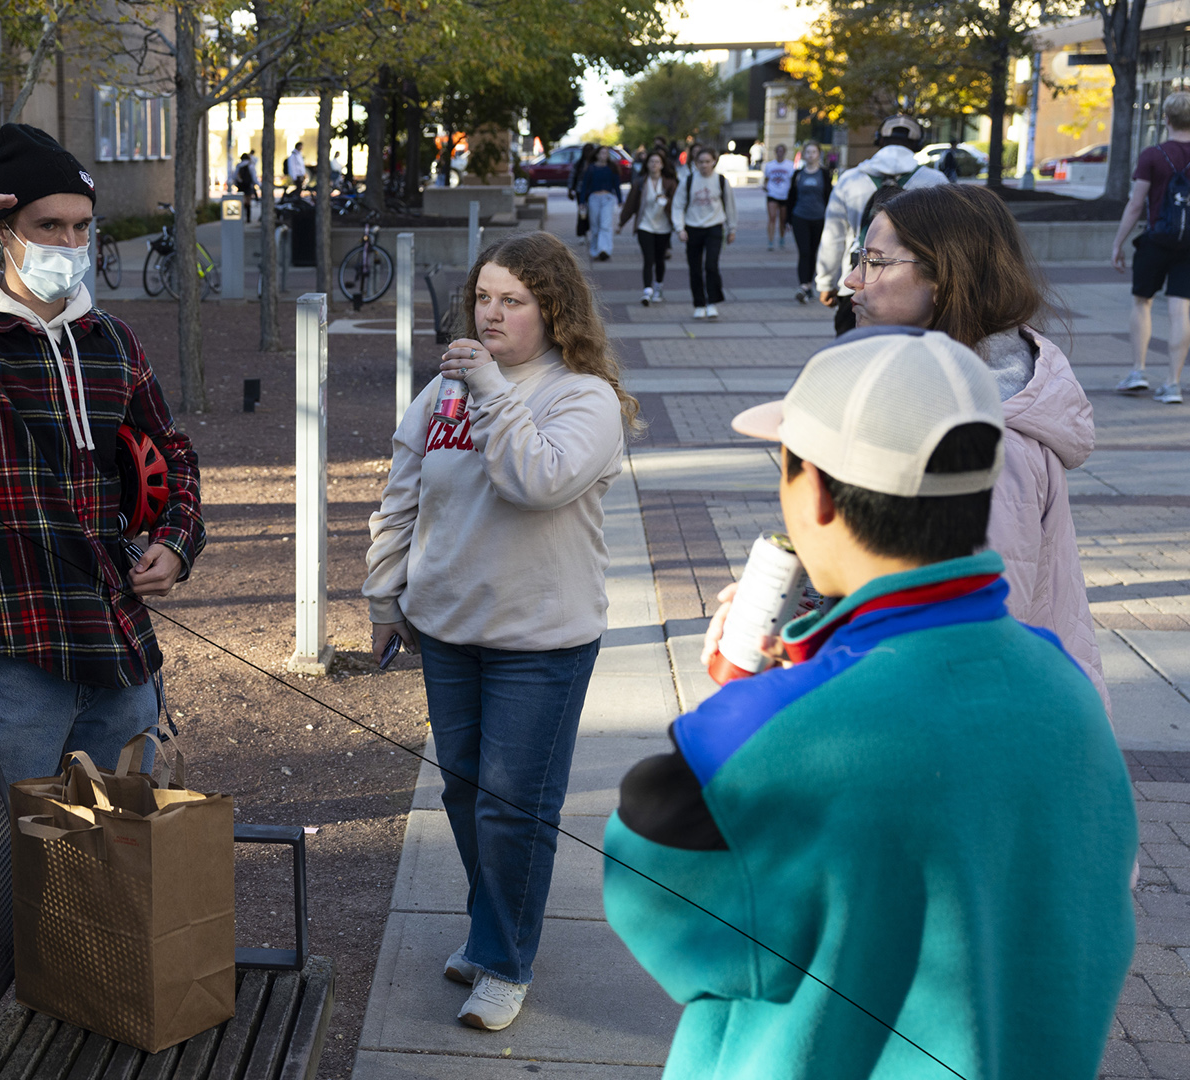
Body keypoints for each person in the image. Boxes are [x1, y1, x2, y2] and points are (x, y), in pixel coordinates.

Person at [607, 327, 1136, 1079]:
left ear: (814, 491)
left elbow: (658, 907)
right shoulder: (1066, 690)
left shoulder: (773, 724)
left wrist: (764, 697)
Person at [363, 231, 637, 1034]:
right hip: (449, 629)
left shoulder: (582, 398)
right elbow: (402, 493)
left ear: (553, 311)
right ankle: (495, 934)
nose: (492, 314)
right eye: (483, 297)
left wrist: (489, 389)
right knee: (465, 791)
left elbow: (536, 481)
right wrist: (385, 597)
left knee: (513, 806)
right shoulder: (443, 392)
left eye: (512, 300)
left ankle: (507, 961)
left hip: (541, 642)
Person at [0, 123, 205, 786]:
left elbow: (173, 451)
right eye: (48, 226)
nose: (69, 244)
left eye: (80, 227)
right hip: (11, 653)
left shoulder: (112, 340)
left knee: (111, 869)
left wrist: (179, 541)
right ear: (5, 229)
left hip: (118, 648)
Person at [838, 181, 1108, 711]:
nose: (852, 280)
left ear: (945, 277)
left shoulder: (984, 444)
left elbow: (970, 650)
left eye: (874, 261)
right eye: (857, 258)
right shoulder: (935, 392)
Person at [815, 114, 948, 334]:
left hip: (855, 289)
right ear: (917, 144)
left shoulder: (851, 179)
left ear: (880, 140)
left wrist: (825, 282)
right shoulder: (936, 182)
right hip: (914, 297)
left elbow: (833, 236)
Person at [1110, 89, 1190, 404]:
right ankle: (1173, 383)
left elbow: (1135, 205)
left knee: (1142, 302)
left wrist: (1118, 243)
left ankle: (1139, 371)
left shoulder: (1153, 155)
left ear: (1166, 119)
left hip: (1156, 238)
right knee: (1181, 308)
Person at [673, 145, 737, 320]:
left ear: (714, 162)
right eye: (701, 162)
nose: (704, 165)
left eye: (708, 161)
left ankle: (712, 302)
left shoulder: (721, 181)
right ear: (696, 163)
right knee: (695, 268)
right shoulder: (688, 180)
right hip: (693, 228)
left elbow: (730, 206)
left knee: (711, 265)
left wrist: (732, 228)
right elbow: (677, 205)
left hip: (714, 228)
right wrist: (680, 228)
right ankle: (699, 303)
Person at [618, 147, 676, 305]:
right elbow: (630, 204)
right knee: (648, 258)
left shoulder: (670, 183)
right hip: (645, 225)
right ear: (647, 164)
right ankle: (647, 291)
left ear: (662, 165)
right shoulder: (640, 182)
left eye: (657, 162)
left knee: (659, 258)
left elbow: (678, 205)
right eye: (651, 162)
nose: (654, 165)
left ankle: (658, 287)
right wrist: (621, 222)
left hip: (663, 226)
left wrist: (667, 200)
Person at [786, 141, 831, 304]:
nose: (811, 155)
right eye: (808, 152)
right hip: (800, 217)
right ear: (803, 155)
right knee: (804, 251)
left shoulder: (824, 174)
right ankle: (803, 286)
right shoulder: (798, 174)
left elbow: (829, 196)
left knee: (813, 253)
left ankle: (809, 284)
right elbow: (791, 197)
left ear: (818, 154)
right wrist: (788, 219)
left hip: (819, 218)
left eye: (814, 152)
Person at [574, 147, 622, 261]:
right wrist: (581, 202)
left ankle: (605, 250)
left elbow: (616, 185)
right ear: (597, 155)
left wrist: (620, 199)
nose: (604, 155)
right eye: (602, 153)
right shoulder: (591, 168)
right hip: (594, 198)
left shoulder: (612, 168)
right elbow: (585, 185)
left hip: (608, 199)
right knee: (595, 226)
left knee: (605, 225)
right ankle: (595, 250)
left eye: (606, 153)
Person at [761, 143, 796, 251]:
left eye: (782, 151)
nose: (780, 153)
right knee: (772, 218)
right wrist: (765, 186)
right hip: (772, 193)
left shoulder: (790, 165)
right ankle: (770, 241)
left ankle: (781, 237)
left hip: (785, 195)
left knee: (783, 219)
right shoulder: (770, 165)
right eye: (778, 151)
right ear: (775, 152)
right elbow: (766, 178)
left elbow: (793, 181)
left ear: (784, 153)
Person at [235, 151, 257, 215]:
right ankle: (248, 216)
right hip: (248, 185)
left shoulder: (239, 165)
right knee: (248, 201)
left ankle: (243, 215)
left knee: (242, 200)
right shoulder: (250, 165)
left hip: (241, 185)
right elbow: (253, 176)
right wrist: (257, 184)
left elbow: (235, 176)